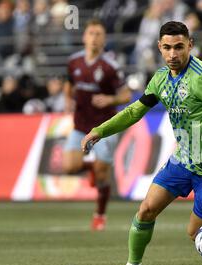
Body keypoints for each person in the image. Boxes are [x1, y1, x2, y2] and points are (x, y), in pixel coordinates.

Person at [81, 21, 202, 265]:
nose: (173, 54)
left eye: (179, 47)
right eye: (167, 48)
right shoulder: (160, 79)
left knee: (195, 234)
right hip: (184, 160)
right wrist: (100, 130)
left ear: (190, 44)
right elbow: (135, 111)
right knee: (146, 209)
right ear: (159, 47)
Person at [63, 18, 132, 231]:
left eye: (99, 34)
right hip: (80, 124)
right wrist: (68, 98)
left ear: (104, 39)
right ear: (84, 37)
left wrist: (110, 99)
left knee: (102, 175)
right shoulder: (74, 62)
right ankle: (92, 169)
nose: (94, 37)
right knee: (69, 167)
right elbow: (69, 84)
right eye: (91, 33)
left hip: (104, 127)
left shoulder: (110, 66)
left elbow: (126, 95)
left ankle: (100, 215)